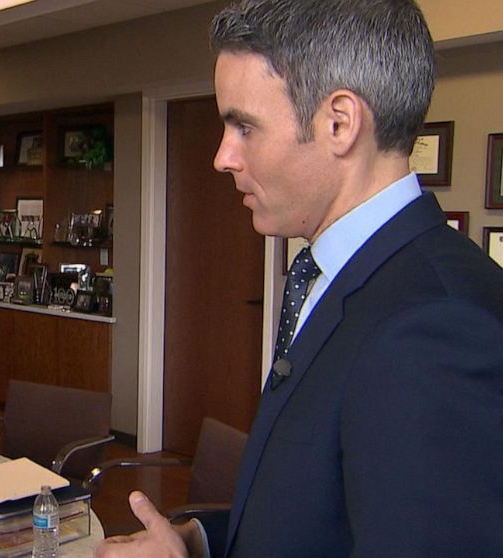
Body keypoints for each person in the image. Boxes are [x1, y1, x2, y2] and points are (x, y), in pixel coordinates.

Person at [96, 1, 503, 557]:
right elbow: (314, 512)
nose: (223, 157)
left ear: (339, 122)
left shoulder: (435, 324)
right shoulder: (336, 275)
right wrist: (200, 542)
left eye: (244, 125)